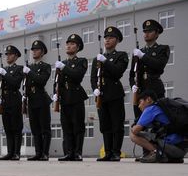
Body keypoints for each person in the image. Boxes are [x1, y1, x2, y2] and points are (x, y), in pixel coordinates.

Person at [129, 19, 170, 161]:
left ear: (157, 33)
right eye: (145, 32)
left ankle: (159, 150)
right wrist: (132, 85)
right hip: (141, 89)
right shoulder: (138, 52)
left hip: (154, 87)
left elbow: (159, 66)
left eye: (150, 31)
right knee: (141, 122)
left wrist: (143, 56)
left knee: (156, 122)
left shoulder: (162, 49)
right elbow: (132, 73)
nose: (146, 34)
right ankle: (146, 152)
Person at [91, 27, 129, 162]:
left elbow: (117, 72)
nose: (107, 40)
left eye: (111, 37)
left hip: (114, 94)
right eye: (106, 37)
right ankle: (107, 152)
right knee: (105, 125)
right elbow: (93, 77)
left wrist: (106, 62)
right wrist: (94, 88)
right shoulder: (97, 59)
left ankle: (116, 152)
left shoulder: (122, 55)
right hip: (101, 95)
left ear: (117, 40)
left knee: (116, 125)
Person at [53, 34, 88, 161]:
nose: (69, 46)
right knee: (66, 127)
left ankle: (78, 152)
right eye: (67, 44)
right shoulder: (62, 63)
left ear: (78, 47)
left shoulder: (81, 61)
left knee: (78, 127)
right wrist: (55, 93)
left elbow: (77, 76)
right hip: (65, 98)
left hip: (76, 97)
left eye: (72, 44)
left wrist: (64, 68)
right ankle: (68, 152)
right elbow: (57, 81)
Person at [129, 90, 187, 163]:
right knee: (152, 133)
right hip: (182, 150)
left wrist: (133, 128)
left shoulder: (151, 109)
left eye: (140, 102)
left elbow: (135, 130)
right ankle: (169, 157)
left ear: (148, 99)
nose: (139, 106)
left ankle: (156, 153)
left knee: (133, 135)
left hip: (173, 148)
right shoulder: (162, 108)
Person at [24, 40, 52, 161]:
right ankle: (38, 152)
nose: (34, 52)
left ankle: (45, 153)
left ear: (42, 52)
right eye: (33, 50)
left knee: (44, 128)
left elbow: (42, 81)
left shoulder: (45, 66)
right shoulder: (29, 67)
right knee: (35, 128)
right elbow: (26, 84)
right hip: (31, 100)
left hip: (42, 100)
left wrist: (30, 72)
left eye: (37, 50)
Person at [0, 45, 24, 160]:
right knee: (7, 127)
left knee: (16, 127)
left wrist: (5, 74)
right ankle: (10, 152)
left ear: (16, 56)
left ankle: (16, 153)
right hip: (5, 100)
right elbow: (0, 86)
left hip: (14, 98)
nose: (7, 56)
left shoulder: (19, 68)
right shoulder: (5, 69)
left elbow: (15, 83)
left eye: (10, 54)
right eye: (6, 54)